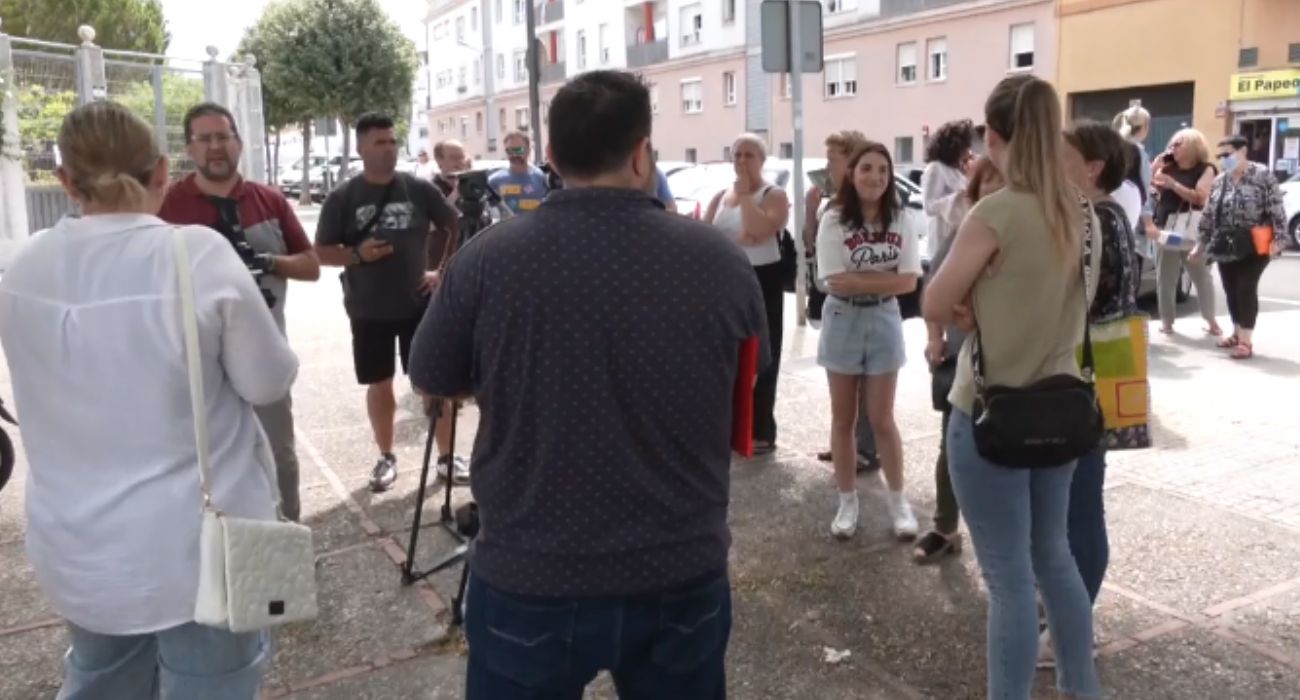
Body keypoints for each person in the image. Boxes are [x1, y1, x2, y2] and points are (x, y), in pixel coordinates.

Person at [409, 69, 768, 700]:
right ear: (641, 153)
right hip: (679, 566)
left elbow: (431, 374)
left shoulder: (488, 259)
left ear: (548, 158)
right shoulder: (719, 260)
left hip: (530, 570)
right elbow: (751, 373)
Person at [0, 101, 297, 698]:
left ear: (64, 182)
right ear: (163, 171)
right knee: (212, 683)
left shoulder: (18, 268)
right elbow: (268, 383)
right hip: (199, 550)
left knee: (102, 680)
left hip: (78, 549)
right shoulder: (197, 255)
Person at [923, 74, 1102, 700]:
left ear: (992, 137)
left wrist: (967, 304)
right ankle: (1085, 689)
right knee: (1055, 557)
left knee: (1007, 579)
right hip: (1062, 408)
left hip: (991, 413)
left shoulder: (994, 211)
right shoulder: (1082, 211)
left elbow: (937, 299)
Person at [159, 102, 320, 522]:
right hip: (193, 363)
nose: (216, 147)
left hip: (265, 351)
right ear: (190, 149)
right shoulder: (167, 207)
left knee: (279, 456)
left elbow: (311, 264)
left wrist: (266, 261)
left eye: (223, 137)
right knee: (203, 465)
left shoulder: (269, 200)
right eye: (205, 139)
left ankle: (286, 550)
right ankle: (217, 557)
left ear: (239, 143)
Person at [314, 113, 464, 492]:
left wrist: (440, 271)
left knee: (435, 382)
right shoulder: (343, 197)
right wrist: (358, 255)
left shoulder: (418, 189)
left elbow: (453, 225)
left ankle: (446, 458)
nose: (390, 148)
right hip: (368, 309)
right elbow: (322, 253)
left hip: (419, 306)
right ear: (362, 148)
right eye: (380, 142)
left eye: (393, 141)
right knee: (379, 383)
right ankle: (386, 457)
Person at [1042, 120, 1141, 668]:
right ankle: (1067, 615)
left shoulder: (1092, 219)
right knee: (1080, 501)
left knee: (1078, 506)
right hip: (1105, 368)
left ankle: (1070, 630)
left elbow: (1068, 300)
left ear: (1092, 167)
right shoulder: (1112, 215)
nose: (1054, 161)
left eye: (1064, 154)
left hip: (1083, 378)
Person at [816, 141, 920, 541]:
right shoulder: (835, 217)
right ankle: (847, 500)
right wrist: (887, 277)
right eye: (866, 169)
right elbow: (832, 279)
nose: (875, 177)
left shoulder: (901, 218)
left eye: (882, 169)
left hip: (884, 317)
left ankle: (898, 502)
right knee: (843, 419)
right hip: (842, 316)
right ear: (852, 174)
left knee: (882, 419)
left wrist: (877, 281)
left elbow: (911, 280)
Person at [913, 156, 1004, 564]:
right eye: (987, 183)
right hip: (964, 359)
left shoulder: (1027, 234)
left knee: (1005, 452)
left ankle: (999, 540)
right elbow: (932, 287)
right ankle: (945, 527)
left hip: (1010, 364)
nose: (994, 190)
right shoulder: (966, 233)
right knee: (953, 445)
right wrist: (934, 337)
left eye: (1003, 181)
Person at [705, 134, 791, 456]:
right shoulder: (720, 194)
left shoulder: (773, 194)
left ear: (762, 159)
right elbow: (710, 234)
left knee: (764, 354)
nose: (742, 161)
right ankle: (731, 422)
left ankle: (761, 428)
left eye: (749, 155)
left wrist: (745, 199)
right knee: (730, 352)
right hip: (725, 280)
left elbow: (757, 231)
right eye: (737, 154)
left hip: (762, 280)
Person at [808, 130, 880, 473]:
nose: (826, 167)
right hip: (835, 301)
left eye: (832, 160)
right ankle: (846, 444)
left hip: (866, 309)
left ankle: (866, 449)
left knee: (867, 384)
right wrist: (811, 211)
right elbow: (813, 249)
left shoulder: (868, 207)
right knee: (843, 384)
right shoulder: (830, 202)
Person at [1196, 134, 1288, 360]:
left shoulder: (1262, 175)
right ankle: (1236, 333)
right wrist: (1201, 243)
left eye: (1227, 154)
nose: (1223, 160)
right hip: (1226, 242)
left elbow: (1277, 208)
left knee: (1246, 287)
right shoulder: (1221, 180)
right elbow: (1209, 214)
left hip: (1256, 241)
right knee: (1230, 288)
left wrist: (1279, 240)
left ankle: (1246, 341)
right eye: (1220, 156)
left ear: (1243, 151)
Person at [1147, 128, 1220, 336]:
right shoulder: (1167, 168)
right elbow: (1150, 190)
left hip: (1190, 230)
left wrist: (1173, 184)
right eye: (1172, 143)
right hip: (1165, 227)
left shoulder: (1205, 169)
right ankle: (1167, 321)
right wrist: (1153, 170)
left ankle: (1210, 320)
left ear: (1194, 146)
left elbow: (1200, 197)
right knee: (1165, 277)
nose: (1173, 147)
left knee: (1201, 276)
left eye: (1179, 143)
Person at [921, 119, 976, 257]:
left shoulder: (958, 172)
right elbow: (929, 206)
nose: (968, 151)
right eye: (965, 146)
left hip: (960, 237)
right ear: (955, 146)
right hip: (942, 240)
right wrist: (957, 197)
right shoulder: (935, 169)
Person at [487, 130, 549, 214]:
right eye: (510, 151)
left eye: (519, 150)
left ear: (528, 151)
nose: (515, 155)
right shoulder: (494, 181)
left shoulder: (539, 177)